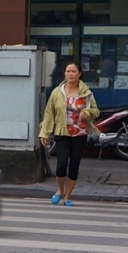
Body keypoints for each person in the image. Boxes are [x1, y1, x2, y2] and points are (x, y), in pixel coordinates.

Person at [39, 62, 100, 206]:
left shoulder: (86, 93)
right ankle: (59, 190)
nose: (70, 74)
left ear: (79, 74)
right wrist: (44, 132)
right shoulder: (57, 92)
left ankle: (67, 196)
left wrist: (86, 112)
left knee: (74, 165)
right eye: (68, 71)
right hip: (62, 132)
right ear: (64, 74)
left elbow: (96, 111)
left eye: (73, 71)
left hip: (80, 134)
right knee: (61, 165)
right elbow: (49, 114)